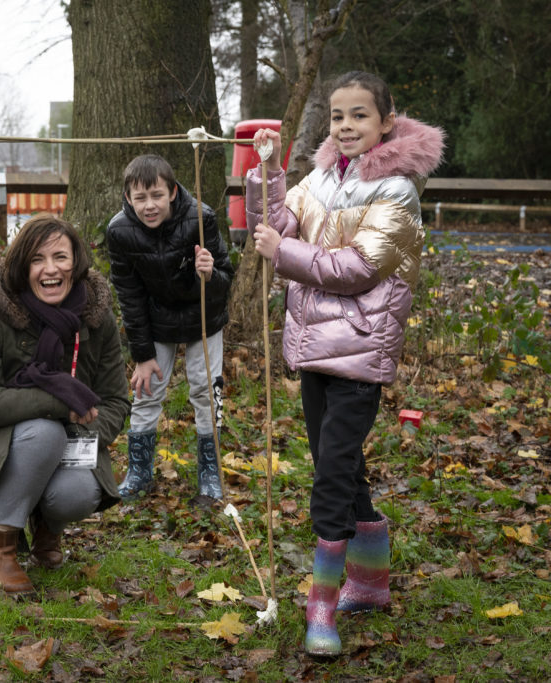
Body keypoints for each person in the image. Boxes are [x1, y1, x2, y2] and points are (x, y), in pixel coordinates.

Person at [247, 71, 444, 656]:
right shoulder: (322, 174)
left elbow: (359, 268)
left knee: (331, 475)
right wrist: (270, 175)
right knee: (341, 465)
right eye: (337, 116)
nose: (347, 126)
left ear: (386, 121)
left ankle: (322, 608)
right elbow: (280, 223)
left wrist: (282, 253)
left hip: (359, 352)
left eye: (359, 116)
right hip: (314, 351)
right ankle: (372, 584)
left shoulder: (397, 190)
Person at [0, 214, 130, 594]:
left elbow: (116, 399)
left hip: (72, 436)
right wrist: (59, 404)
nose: (50, 270)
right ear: (22, 267)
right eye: (37, 259)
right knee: (45, 433)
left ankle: (47, 527)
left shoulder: (97, 318)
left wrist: (86, 430)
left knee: (79, 493)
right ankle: (1, 550)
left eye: (60, 257)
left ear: (76, 263)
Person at [106, 154, 234, 502]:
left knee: (206, 390)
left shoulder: (201, 218)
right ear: (128, 198)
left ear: (173, 192)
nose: (149, 206)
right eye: (140, 198)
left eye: (157, 195)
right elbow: (129, 297)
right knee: (146, 390)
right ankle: (139, 471)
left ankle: (211, 471)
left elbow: (225, 278)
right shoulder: (120, 232)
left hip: (203, 317)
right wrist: (143, 355)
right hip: (155, 320)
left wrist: (208, 274)